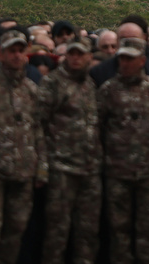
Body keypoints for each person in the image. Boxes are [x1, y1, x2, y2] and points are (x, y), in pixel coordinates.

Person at [0, 29, 46, 264]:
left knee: (16, 232)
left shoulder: (31, 89)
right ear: (1, 53)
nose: (16, 55)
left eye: (20, 50)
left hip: (23, 173)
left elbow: (38, 129)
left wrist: (41, 166)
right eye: (11, 51)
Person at [97, 37, 149, 264]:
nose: (124, 63)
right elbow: (98, 126)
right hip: (117, 171)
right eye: (122, 58)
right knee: (119, 229)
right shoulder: (108, 90)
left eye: (130, 58)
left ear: (142, 61)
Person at [38, 35, 102, 263]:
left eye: (80, 54)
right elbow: (40, 123)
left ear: (89, 57)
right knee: (57, 232)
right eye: (71, 54)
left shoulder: (90, 84)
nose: (75, 58)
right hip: (61, 168)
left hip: (90, 169)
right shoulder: (53, 83)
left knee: (88, 233)